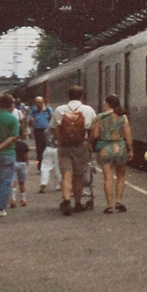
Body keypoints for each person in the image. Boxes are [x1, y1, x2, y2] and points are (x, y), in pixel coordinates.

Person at [51, 85, 97, 216]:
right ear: (82, 96)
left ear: (68, 96)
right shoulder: (88, 110)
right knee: (78, 176)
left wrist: (59, 139)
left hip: (64, 147)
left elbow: (53, 127)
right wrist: (88, 142)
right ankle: (77, 203)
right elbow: (94, 130)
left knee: (66, 173)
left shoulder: (60, 109)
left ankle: (66, 201)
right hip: (80, 146)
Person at [91, 93, 133, 214]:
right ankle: (118, 202)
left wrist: (92, 142)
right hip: (119, 147)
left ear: (108, 104)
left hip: (105, 149)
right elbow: (128, 135)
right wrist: (131, 150)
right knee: (121, 176)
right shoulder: (123, 117)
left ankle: (109, 205)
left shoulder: (100, 117)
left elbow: (94, 135)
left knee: (108, 177)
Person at [28, 97, 53, 186]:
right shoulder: (33, 111)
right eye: (37, 102)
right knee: (39, 149)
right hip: (38, 131)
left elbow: (52, 119)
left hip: (47, 131)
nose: (38, 104)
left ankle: (50, 165)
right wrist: (31, 123)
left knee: (49, 148)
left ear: (43, 102)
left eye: (40, 102)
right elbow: (29, 123)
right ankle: (41, 167)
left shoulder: (48, 110)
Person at [9, 137, 30, 208]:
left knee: (13, 182)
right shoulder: (23, 144)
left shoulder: (11, 144)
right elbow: (26, 155)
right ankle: (23, 199)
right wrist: (27, 161)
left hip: (13, 163)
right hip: (22, 163)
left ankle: (13, 199)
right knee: (21, 183)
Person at [39, 128, 59, 195]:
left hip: (48, 148)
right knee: (58, 167)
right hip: (57, 149)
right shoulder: (61, 129)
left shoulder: (46, 131)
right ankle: (59, 185)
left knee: (45, 167)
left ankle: (43, 183)